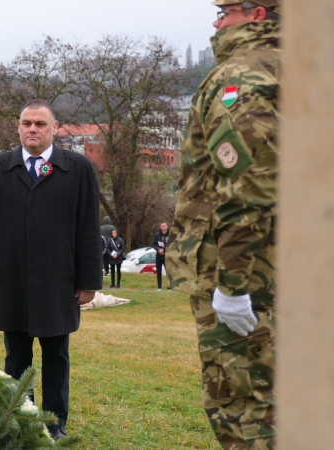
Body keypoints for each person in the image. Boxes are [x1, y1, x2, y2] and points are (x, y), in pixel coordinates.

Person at [166, 1, 280, 448]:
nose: (216, 23)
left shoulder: (243, 78)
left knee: (246, 411)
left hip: (250, 279)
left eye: (226, 11)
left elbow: (247, 187)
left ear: (257, 15)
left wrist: (232, 287)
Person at [0, 99, 101, 440]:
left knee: (56, 355)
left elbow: (88, 227)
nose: (33, 129)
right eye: (27, 123)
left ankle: (54, 422)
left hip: (58, 281)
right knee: (16, 356)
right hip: (11, 279)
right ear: (18, 127)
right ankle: (20, 417)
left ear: (54, 128)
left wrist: (89, 280)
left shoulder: (76, 169)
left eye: (40, 124)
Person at [152, 222, 170, 291]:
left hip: (167, 256)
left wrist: (164, 250)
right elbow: (154, 244)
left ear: (167, 226)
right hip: (158, 256)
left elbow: (172, 245)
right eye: (162, 226)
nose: (163, 227)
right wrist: (158, 249)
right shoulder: (157, 235)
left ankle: (169, 287)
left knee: (168, 272)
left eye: (164, 226)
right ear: (160, 227)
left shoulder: (170, 235)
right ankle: (159, 287)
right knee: (159, 272)